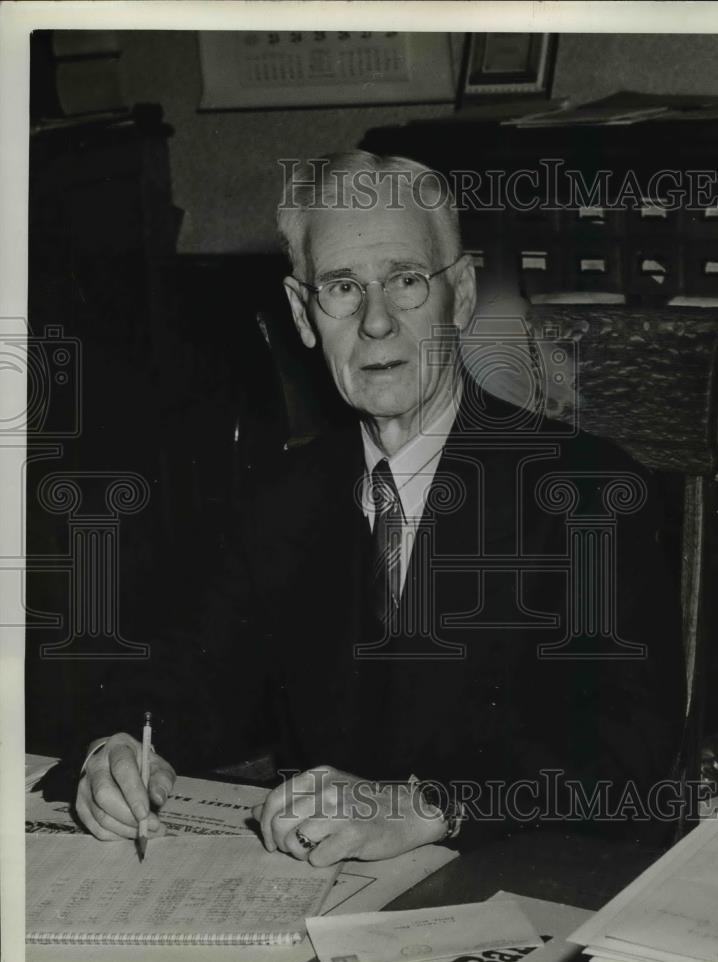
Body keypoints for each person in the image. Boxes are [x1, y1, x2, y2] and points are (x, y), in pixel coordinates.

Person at [75, 151, 685, 865]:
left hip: (527, 883)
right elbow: (182, 678)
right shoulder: (277, 499)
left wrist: (431, 804)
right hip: (323, 895)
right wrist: (121, 750)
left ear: (458, 294)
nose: (375, 323)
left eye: (405, 281)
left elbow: (627, 753)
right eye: (341, 288)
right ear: (305, 315)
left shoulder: (590, 491)